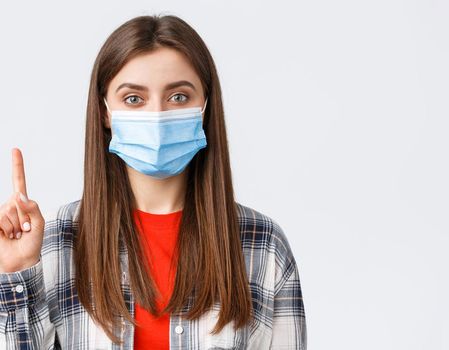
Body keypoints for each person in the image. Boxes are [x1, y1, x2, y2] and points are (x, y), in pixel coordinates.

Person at [0, 14, 306, 349]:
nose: (157, 115)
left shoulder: (263, 245)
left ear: (205, 105)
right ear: (105, 112)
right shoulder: (58, 241)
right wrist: (18, 270)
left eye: (178, 97)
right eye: (134, 99)